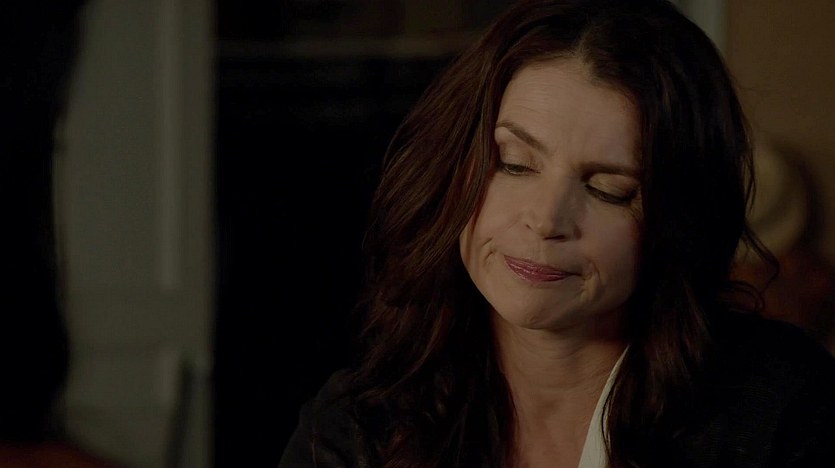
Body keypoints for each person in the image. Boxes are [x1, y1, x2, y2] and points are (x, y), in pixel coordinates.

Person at [279, 0, 835, 466]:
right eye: (514, 163)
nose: (546, 220)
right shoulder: (355, 428)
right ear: (454, 166)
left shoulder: (785, 410)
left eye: (609, 190)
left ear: (678, 220)